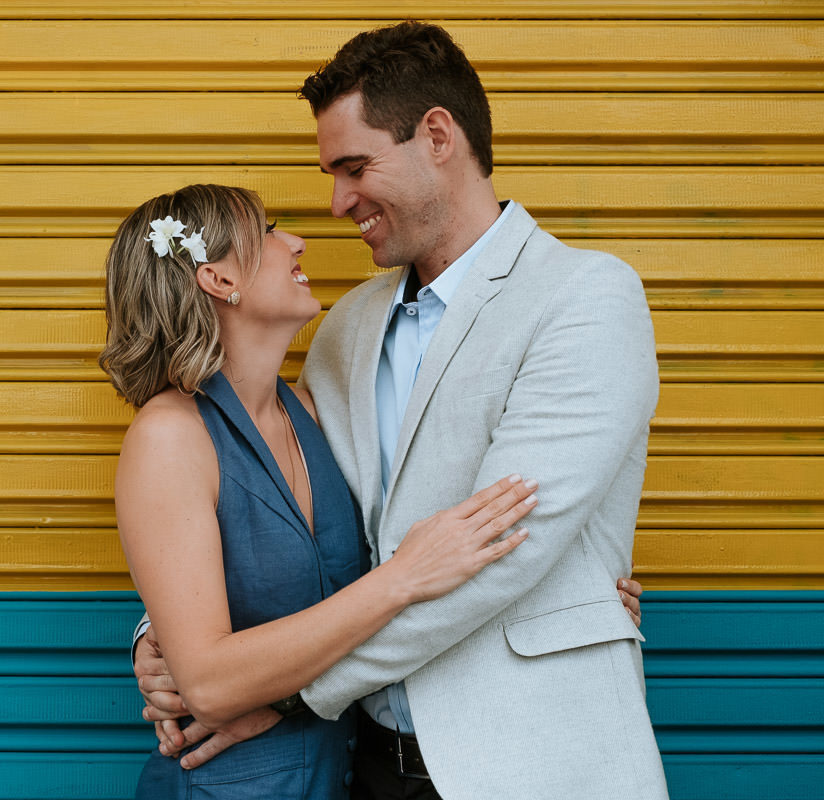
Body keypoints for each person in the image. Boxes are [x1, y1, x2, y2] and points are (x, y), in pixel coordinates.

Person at [133, 20, 668, 800]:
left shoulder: (583, 296)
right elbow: (282, 509)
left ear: (438, 137)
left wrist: (268, 688)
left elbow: (505, 552)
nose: (337, 202)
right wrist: (171, 641)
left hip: (535, 762)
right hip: (371, 768)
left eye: (354, 167)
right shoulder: (344, 327)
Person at [102, 183, 545, 799]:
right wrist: (404, 577)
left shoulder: (318, 413)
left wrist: (574, 585)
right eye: (268, 230)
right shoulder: (169, 435)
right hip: (228, 786)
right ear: (216, 279)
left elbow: (438, 511)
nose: (296, 240)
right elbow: (206, 684)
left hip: (342, 780)